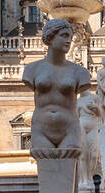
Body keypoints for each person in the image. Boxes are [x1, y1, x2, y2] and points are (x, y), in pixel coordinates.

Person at [21, 19, 92, 150]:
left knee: (67, 169)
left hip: (69, 130)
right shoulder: (31, 69)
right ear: (50, 37)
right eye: (64, 35)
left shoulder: (80, 72)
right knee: (46, 170)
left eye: (70, 37)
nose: (69, 40)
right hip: (41, 129)